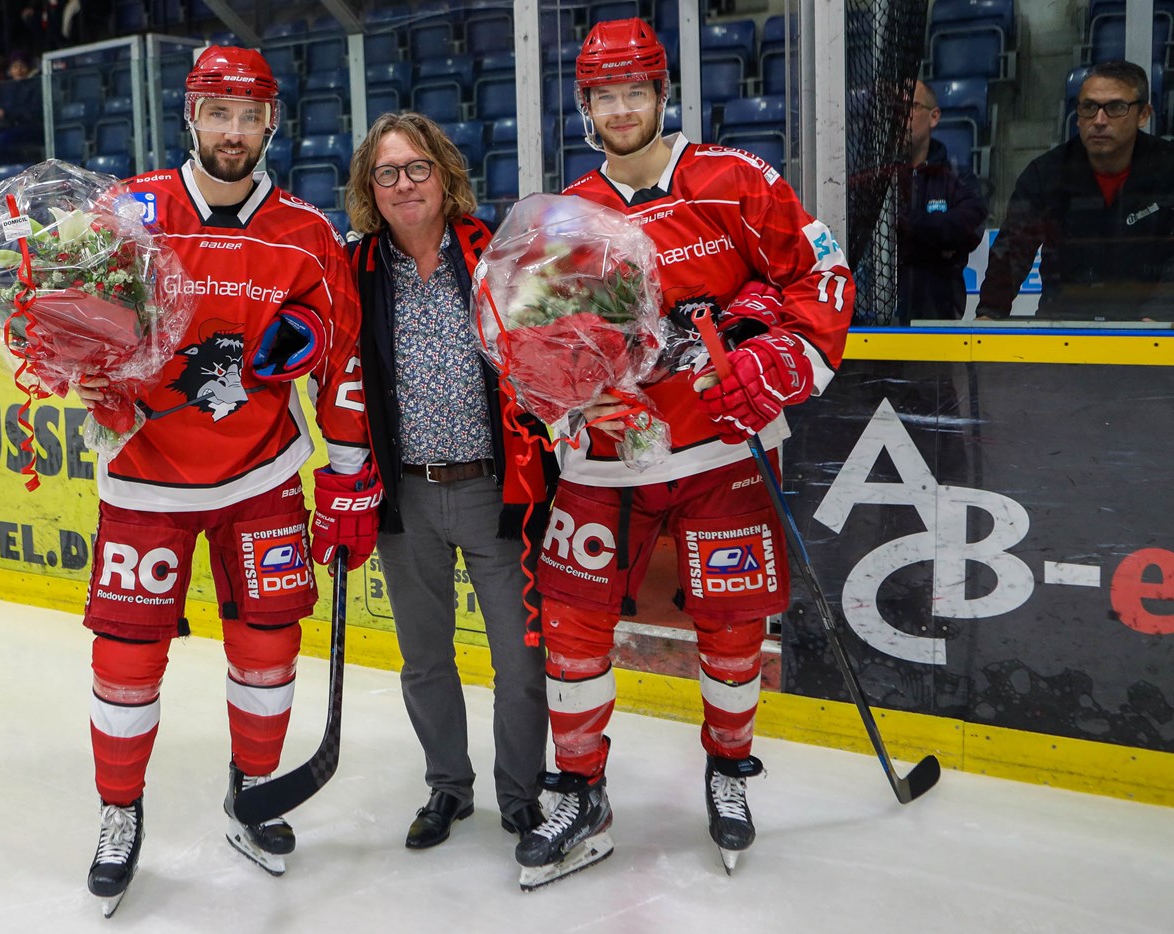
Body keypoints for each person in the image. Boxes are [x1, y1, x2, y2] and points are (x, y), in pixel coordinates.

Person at [513, 18, 852, 886]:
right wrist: (574, 401)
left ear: (664, 95)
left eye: (636, 92)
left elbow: (821, 281)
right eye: (604, 96)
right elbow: (537, 351)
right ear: (585, 106)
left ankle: (730, 767)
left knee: (734, 629)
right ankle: (579, 788)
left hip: (719, 457)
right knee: (573, 628)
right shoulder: (570, 214)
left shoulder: (736, 182)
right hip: (606, 464)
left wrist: (771, 364)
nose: (622, 110)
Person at [71, 46, 379, 910]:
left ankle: (252, 792)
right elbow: (69, 323)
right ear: (192, 117)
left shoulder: (310, 237)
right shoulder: (128, 213)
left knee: (270, 651)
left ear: (271, 122)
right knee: (125, 662)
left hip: (261, 475)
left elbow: (341, 369)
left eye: (250, 116)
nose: (233, 132)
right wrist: (83, 373)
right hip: (145, 480)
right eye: (219, 113)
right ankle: (119, 812)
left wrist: (347, 482)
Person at [345, 112, 556, 852]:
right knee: (426, 659)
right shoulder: (356, 267)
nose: (404, 184)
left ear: (444, 175)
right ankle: (448, 788)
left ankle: (523, 796)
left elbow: (550, 355)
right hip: (402, 497)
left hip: (494, 494)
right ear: (370, 188)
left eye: (417, 168)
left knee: (520, 663)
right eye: (387, 172)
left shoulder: (496, 253)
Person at [977, 60, 1174, 322]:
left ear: (1143, 114)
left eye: (1116, 107)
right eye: (1089, 107)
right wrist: (989, 314)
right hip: (1063, 326)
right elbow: (1012, 250)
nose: (1099, 120)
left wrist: (1159, 315)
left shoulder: (1168, 167)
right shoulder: (1045, 173)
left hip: (1148, 327)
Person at [896, 78, 986, 324]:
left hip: (938, 319)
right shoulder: (876, 179)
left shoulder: (958, 176)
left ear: (933, 117)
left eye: (911, 107)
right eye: (895, 109)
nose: (901, 116)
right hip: (879, 324)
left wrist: (905, 225)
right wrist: (935, 241)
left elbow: (967, 229)